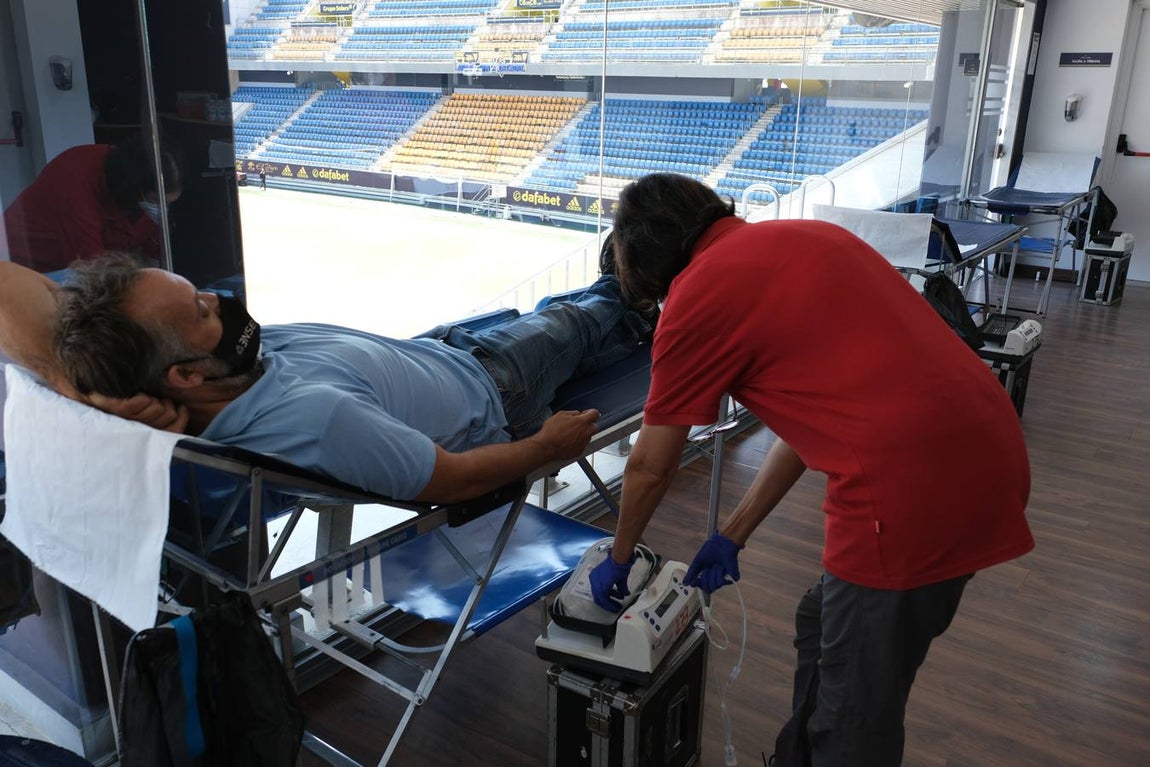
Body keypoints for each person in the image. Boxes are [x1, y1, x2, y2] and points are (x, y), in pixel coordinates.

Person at [588, 173, 1034, 767]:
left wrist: (619, 557)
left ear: (649, 260)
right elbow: (814, 427)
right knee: (820, 619)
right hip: (988, 453)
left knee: (854, 717)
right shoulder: (807, 238)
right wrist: (732, 533)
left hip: (910, 492)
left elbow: (648, 466)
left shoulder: (699, 293)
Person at [0, 254, 651, 504]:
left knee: (572, 321)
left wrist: (69, 380)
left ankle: (623, 303)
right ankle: (635, 295)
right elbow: (452, 480)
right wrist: (550, 447)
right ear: (186, 373)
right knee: (577, 320)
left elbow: (14, 291)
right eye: (201, 310)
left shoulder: (200, 374)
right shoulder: (319, 421)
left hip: (438, 352)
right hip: (492, 385)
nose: (218, 299)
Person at [2, 136, 182, 273]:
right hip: (21, 265)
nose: (161, 209)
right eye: (157, 201)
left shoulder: (139, 183)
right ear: (136, 189)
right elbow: (93, 271)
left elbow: (156, 247)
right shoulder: (76, 184)